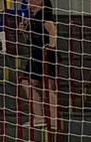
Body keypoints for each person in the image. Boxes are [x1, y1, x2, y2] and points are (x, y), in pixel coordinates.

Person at [20, 0, 58, 130]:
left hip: (43, 54)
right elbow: (31, 39)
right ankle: (39, 117)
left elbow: (52, 29)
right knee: (28, 83)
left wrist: (51, 47)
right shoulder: (34, 17)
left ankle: (52, 120)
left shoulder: (44, 14)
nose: (29, 3)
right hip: (36, 53)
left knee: (47, 86)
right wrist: (24, 30)